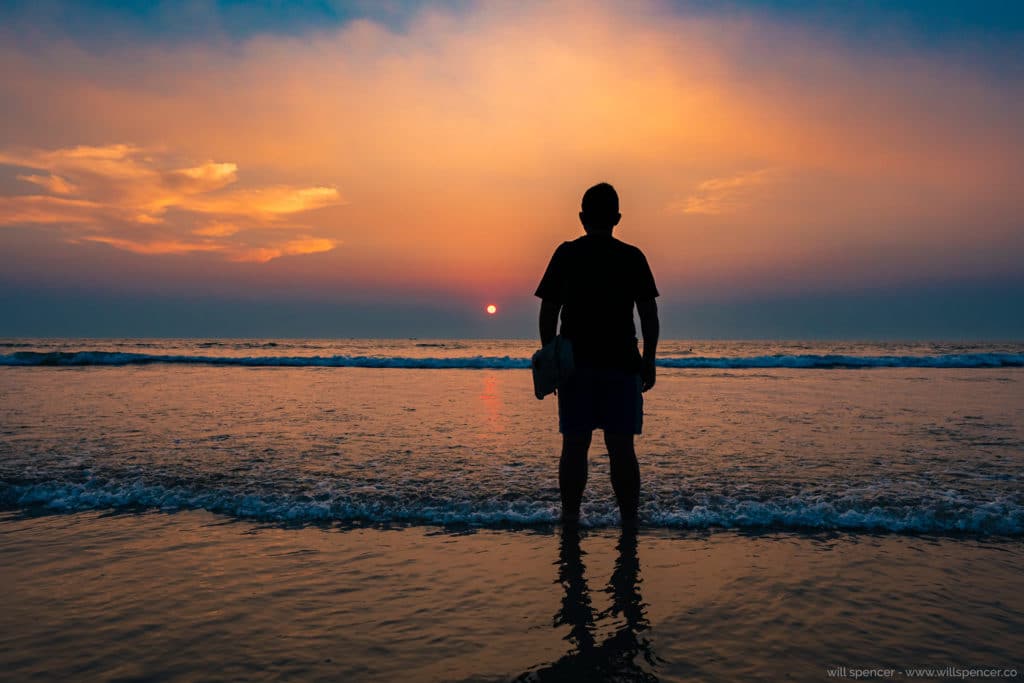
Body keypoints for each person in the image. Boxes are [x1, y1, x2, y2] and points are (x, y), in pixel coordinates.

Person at [534, 182, 660, 525]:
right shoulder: (632, 256)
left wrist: (552, 358)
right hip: (622, 364)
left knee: (575, 446)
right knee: (622, 449)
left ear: (581, 217)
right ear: (617, 218)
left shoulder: (567, 253)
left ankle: (570, 517)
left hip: (576, 366)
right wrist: (649, 360)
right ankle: (630, 521)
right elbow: (648, 314)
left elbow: (548, 311)